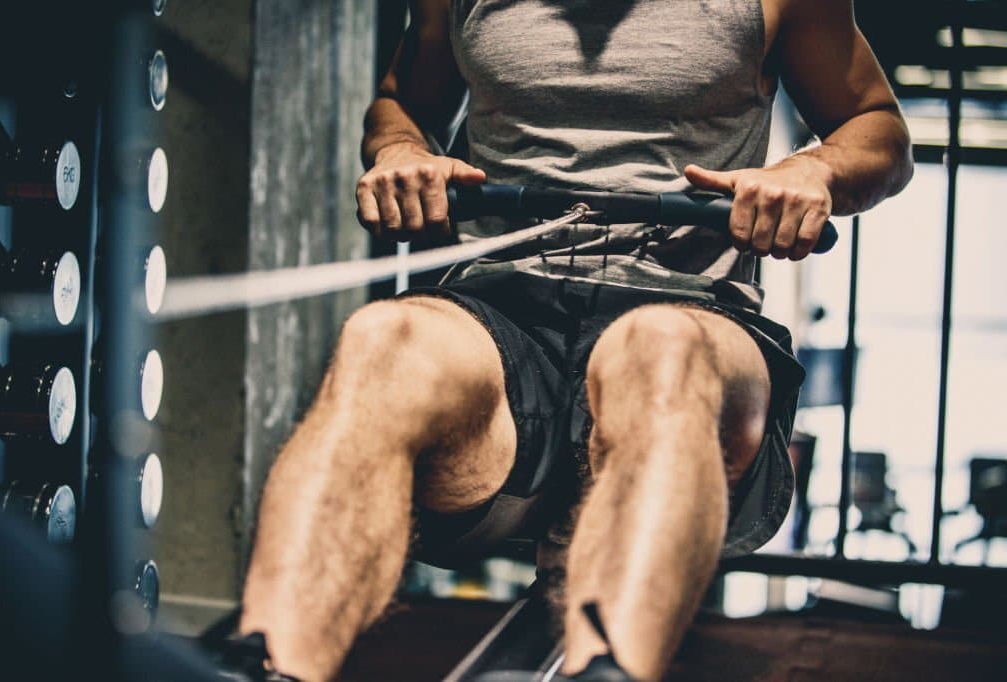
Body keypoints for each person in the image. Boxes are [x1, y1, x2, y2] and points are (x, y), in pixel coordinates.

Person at [238, 1, 912, 680]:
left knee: (660, 351)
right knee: (385, 338)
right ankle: (274, 664)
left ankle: (608, 668)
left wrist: (813, 170)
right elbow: (398, 104)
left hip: (687, 313)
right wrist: (403, 150)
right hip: (501, 324)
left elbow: (876, 128)